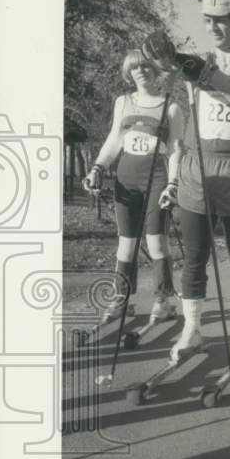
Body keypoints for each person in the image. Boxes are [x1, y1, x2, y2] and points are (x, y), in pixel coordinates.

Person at [143, 0, 230, 364]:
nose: (213, 27)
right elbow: (178, 90)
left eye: (221, 20)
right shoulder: (194, 64)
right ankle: (192, 330)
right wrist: (173, 62)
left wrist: (205, 74)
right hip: (197, 169)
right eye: (207, 20)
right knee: (195, 257)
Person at [82, 50, 184, 323]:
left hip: (157, 178)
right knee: (125, 245)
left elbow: (175, 150)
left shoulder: (171, 106)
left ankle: (164, 300)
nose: (141, 71)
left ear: (155, 69)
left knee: (156, 243)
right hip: (127, 176)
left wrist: (173, 184)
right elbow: (114, 140)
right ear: (129, 73)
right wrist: (97, 168)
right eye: (135, 67)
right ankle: (121, 300)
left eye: (146, 66)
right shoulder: (123, 102)